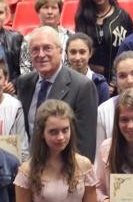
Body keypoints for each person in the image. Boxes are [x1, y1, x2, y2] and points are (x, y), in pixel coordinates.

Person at [15, 26, 99, 161]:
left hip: (64, 170)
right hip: (29, 168)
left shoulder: (82, 86)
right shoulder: (24, 83)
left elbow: (85, 143)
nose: (41, 54)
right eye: (35, 49)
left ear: (60, 52)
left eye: (47, 48)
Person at [74, 0, 133, 80]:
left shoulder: (123, 17)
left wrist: (114, 81)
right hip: (89, 80)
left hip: (120, 80)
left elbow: (132, 50)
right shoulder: (82, 18)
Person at [18, 0, 74, 76]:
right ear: (38, 12)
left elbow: (73, 64)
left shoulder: (70, 36)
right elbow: (25, 67)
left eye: (54, 8)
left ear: (60, 13)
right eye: (46, 7)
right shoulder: (29, 39)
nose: (50, 12)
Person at [65, 34, 111, 103]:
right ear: (67, 54)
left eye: (82, 52)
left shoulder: (100, 85)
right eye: (73, 52)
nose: (77, 57)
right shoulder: (59, 81)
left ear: (90, 53)